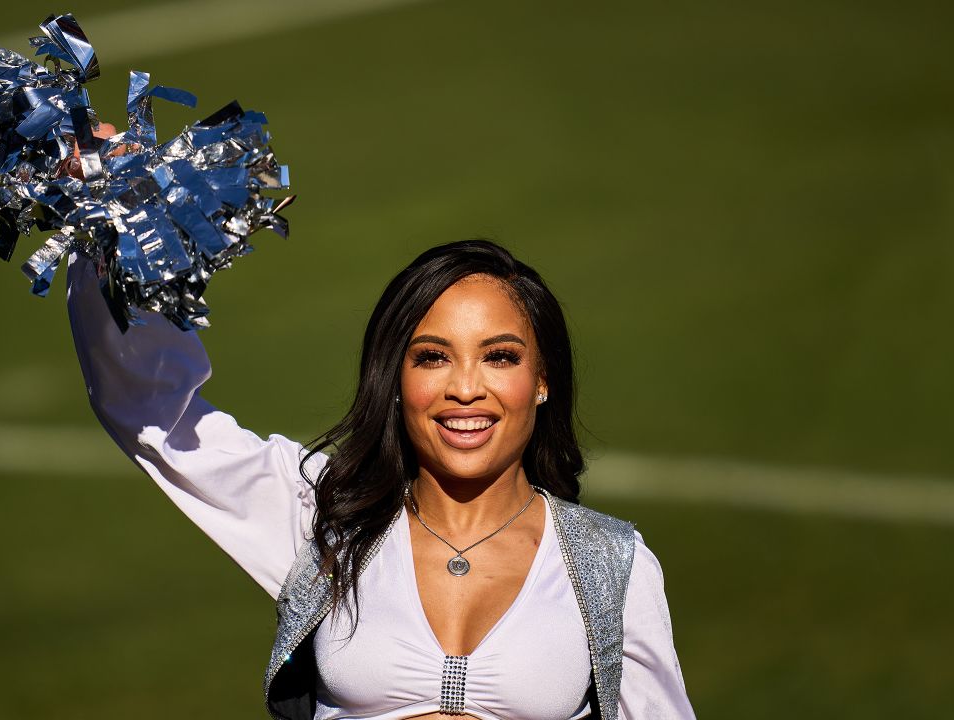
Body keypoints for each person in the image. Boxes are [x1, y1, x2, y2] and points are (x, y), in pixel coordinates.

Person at [66, 239, 695, 719]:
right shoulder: (326, 512)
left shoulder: (615, 563)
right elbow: (151, 412)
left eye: (500, 356)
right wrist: (116, 217)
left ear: (543, 380)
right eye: (432, 357)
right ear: (395, 380)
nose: (466, 388)